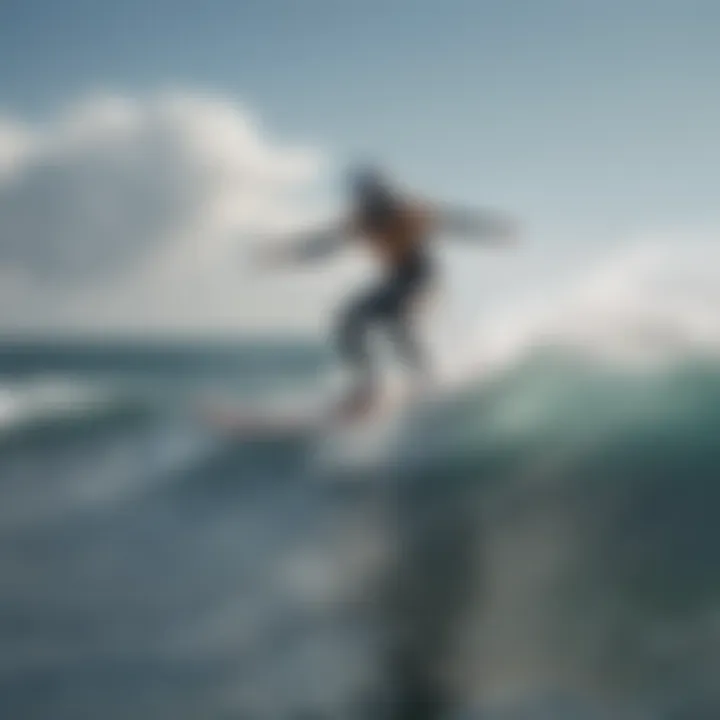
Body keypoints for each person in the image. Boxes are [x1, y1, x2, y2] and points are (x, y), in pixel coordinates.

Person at [255, 165, 518, 420]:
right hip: (395, 280)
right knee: (349, 320)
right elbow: (323, 245)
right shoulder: (362, 221)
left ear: (383, 193)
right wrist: (287, 254)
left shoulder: (407, 212)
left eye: (374, 198)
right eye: (365, 199)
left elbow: (456, 223)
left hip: (423, 279)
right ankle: (368, 390)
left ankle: (426, 383)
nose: (371, 206)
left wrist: (494, 230)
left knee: (396, 323)